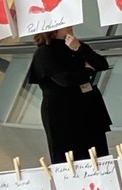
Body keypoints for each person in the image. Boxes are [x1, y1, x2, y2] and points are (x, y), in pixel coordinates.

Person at [29, 27, 111, 163]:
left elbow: (102, 63)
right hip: (63, 113)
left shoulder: (74, 45)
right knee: (71, 158)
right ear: (53, 29)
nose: (71, 26)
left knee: (98, 156)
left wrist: (79, 48)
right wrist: (88, 70)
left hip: (87, 107)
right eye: (65, 24)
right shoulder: (44, 52)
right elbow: (64, 80)